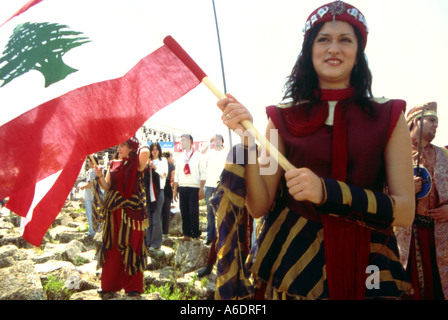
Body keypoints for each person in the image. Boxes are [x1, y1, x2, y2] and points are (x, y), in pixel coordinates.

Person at [216, 1, 415, 300]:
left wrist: (326, 192)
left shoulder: (389, 116)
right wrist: (248, 143)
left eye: (345, 40)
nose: (334, 48)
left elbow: (405, 212)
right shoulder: (279, 118)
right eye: (323, 39)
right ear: (309, 50)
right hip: (294, 268)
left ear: (358, 52)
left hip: (369, 266)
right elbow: (259, 206)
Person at [395, 102, 448, 299]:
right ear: (416, 121)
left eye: (438, 122)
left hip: (438, 235)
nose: (436, 126)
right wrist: (406, 188)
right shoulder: (395, 154)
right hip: (405, 235)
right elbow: (381, 190)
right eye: (432, 120)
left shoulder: (445, 155)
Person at [93, 135, 150, 297]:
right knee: (111, 246)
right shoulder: (113, 163)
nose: (118, 149)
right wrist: (99, 175)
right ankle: (109, 285)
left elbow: (145, 152)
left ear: (132, 148)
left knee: (131, 245)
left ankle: (132, 287)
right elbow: (107, 186)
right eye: (118, 146)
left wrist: (142, 139)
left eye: (122, 146)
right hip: (113, 212)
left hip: (131, 213)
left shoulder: (137, 163)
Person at [173, 134, 206, 241]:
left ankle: (196, 234)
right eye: (180, 140)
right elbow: (177, 175)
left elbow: (203, 173)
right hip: (182, 187)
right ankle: (186, 234)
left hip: (194, 187)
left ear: (190, 141)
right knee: (184, 211)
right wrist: (175, 189)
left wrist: (201, 188)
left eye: (183, 140)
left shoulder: (199, 156)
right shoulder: (179, 157)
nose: (181, 142)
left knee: (193, 212)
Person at [202, 134, 228, 245]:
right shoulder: (210, 152)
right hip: (209, 185)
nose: (217, 141)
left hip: (222, 185)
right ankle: (210, 237)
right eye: (215, 140)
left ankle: (222, 237)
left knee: (222, 212)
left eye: (219, 139)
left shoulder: (226, 152)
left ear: (222, 141)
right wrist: (209, 142)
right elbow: (201, 153)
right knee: (210, 212)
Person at [145, 142, 168, 250]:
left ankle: (156, 243)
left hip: (159, 192)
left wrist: (154, 167)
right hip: (148, 194)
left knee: (156, 218)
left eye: (156, 149)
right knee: (148, 218)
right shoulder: (146, 161)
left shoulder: (163, 161)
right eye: (152, 149)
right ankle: (148, 241)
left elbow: (164, 175)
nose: (154, 151)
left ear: (159, 150)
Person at [78, 156, 98, 237]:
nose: (87, 163)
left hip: (90, 196)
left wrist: (82, 187)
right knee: (96, 213)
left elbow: (90, 184)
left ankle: (92, 231)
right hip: (96, 196)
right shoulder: (98, 171)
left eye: (88, 162)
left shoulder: (92, 171)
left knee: (90, 214)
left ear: (92, 162)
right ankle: (95, 230)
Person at [162, 151, 175, 236]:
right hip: (167, 187)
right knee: (166, 211)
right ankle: (165, 232)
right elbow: (173, 179)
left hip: (159, 187)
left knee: (159, 211)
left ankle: (159, 232)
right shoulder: (171, 166)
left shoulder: (159, 164)